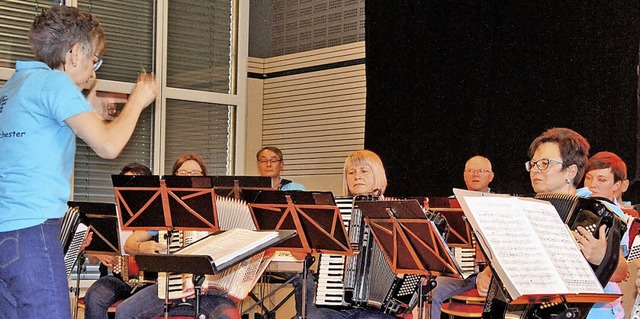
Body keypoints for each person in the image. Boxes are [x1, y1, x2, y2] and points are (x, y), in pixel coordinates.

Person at [0, 6, 157, 319]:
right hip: (32, 232)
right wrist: (138, 100)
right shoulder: (54, 84)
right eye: (94, 58)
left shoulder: (14, 87)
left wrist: (86, 110)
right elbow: (109, 145)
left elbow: (34, 139)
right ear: (74, 53)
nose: (93, 72)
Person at [511, 128, 627, 319]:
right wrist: (488, 273)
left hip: (592, 311)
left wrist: (602, 257)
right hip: (537, 309)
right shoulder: (525, 208)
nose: (536, 170)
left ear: (571, 171)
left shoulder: (596, 211)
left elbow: (622, 271)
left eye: (544, 163)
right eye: (533, 164)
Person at [115, 153, 240, 319]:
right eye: (183, 173)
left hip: (210, 292)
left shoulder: (219, 209)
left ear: (205, 178)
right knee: (124, 312)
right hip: (169, 287)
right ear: (173, 178)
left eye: (195, 174)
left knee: (228, 317)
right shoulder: (165, 211)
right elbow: (129, 244)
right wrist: (142, 247)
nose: (188, 178)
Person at [296, 149, 397, 319]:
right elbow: (303, 253)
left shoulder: (395, 212)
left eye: (364, 171)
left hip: (379, 309)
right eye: (351, 172)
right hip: (336, 304)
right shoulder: (337, 211)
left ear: (378, 175)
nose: (357, 176)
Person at [83, 162, 153, 319]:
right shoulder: (110, 215)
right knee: (94, 297)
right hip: (118, 280)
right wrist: (100, 254)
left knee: (132, 308)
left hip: (151, 283)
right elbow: (92, 258)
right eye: (127, 184)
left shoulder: (157, 216)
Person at [430, 156, 494, 318]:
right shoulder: (448, 205)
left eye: (481, 171)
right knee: (429, 291)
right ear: (464, 175)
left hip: (491, 274)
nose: (475, 175)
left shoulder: (500, 203)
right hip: (458, 274)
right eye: (471, 171)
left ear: (490, 176)